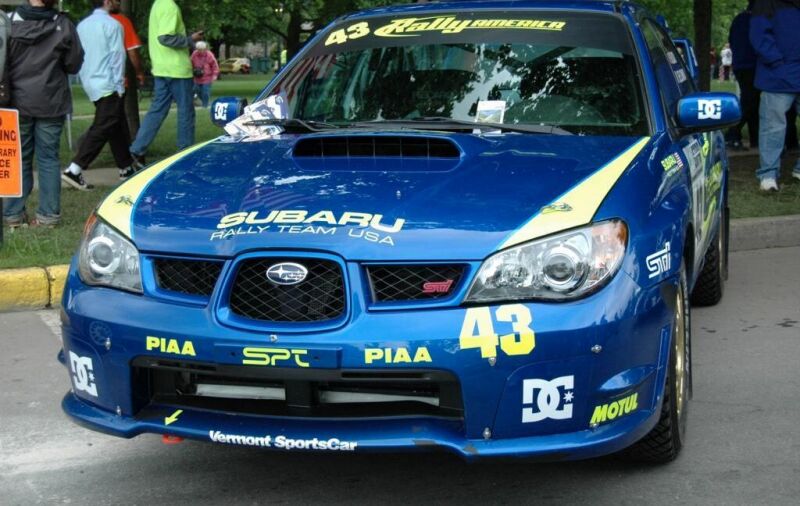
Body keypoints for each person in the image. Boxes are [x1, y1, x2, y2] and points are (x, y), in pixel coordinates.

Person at [2, 0, 82, 228]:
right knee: (48, 159)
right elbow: (74, 64)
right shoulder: (63, 24)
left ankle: (13, 214)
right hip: (51, 101)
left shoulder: (8, 23)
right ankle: (48, 216)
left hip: (16, 102)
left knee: (19, 159)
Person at [62, 0, 136, 190]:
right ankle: (75, 169)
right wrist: (120, 86)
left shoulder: (82, 25)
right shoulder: (114, 25)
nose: (118, 2)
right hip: (109, 83)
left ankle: (126, 167)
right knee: (104, 126)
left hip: (91, 82)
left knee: (115, 124)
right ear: (107, 1)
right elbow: (117, 57)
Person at [129, 0, 203, 163]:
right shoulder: (170, 6)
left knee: (157, 111)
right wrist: (190, 39)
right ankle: (185, 154)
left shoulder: (158, 4)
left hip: (161, 68)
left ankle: (136, 151)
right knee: (186, 112)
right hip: (177, 69)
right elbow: (166, 38)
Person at [750, 0, 800, 191]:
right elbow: (758, 35)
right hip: (777, 76)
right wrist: (776, 62)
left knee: (773, 126)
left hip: (781, 71)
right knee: (773, 127)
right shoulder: (766, 3)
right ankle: (768, 175)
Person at [727, 1, 759, 150]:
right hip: (752, 65)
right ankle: (733, 133)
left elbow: (731, 40)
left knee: (751, 101)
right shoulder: (756, 20)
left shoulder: (739, 19)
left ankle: (755, 138)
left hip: (740, 65)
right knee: (750, 102)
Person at [109, 0, 145, 89]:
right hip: (117, 77)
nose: (118, 3)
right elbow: (133, 53)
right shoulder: (123, 21)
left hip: (94, 78)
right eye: (116, 0)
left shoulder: (89, 23)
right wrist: (139, 72)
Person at [191, 41, 219, 108]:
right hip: (197, 77)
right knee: (196, 90)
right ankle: (205, 101)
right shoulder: (194, 54)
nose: (200, 51)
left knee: (205, 91)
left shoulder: (209, 55)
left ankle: (205, 105)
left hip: (207, 77)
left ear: (205, 49)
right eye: (199, 49)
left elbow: (215, 66)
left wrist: (215, 75)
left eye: (202, 49)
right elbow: (190, 63)